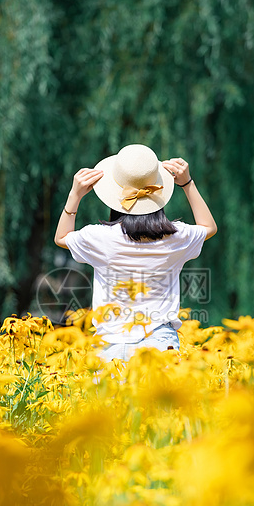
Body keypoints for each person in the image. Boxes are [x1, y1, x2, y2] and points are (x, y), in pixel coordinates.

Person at [54, 144, 217, 363]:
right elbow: (209, 227)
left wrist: (75, 195)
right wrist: (188, 184)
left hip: (109, 346)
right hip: (161, 344)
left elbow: (61, 238)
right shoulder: (176, 237)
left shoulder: (99, 237)